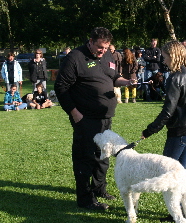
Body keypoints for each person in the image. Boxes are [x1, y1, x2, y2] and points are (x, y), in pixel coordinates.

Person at [54, 27, 136, 210]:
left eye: (106, 48)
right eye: (100, 47)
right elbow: (61, 86)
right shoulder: (75, 57)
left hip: (105, 117)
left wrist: (127, 82)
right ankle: (85, 199)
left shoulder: (108, 55)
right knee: (85, 157)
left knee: (103, 155)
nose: (103, 51)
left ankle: (99, 188)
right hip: (85, 118)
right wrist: (75, 114)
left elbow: (114, 77)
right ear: (90, 41)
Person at [141, 40, 186, 222]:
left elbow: (168, 111)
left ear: (173, 56)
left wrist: (149, 130)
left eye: (165, 57)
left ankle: (177, 215)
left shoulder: (176, 77)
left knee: (170, 173)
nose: (164, 61)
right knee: (182, 172)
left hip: (181, 130)